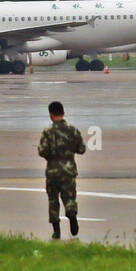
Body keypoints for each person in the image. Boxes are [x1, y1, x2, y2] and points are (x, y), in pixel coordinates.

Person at [37, 100, 86, 239]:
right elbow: (81, 149)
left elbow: (42, 151)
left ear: (51, 115)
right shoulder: (73, 130)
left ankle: (56, 231)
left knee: (53, 200)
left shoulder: (48, 132)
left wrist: (51, 156)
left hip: (52, 172)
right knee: (69, 197)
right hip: (69, 171)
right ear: (63, 113)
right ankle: (71, 213)